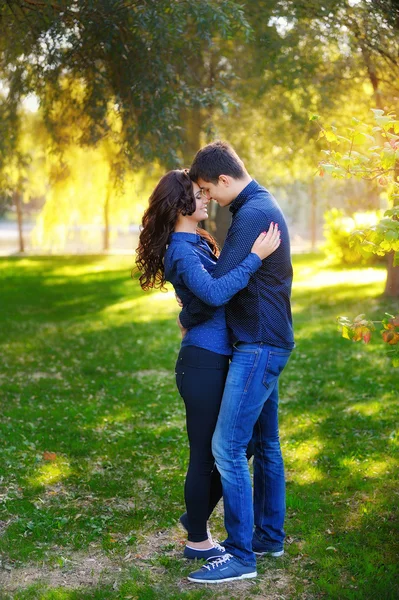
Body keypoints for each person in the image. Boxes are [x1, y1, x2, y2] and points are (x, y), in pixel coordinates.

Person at [135, 169, 281, 562]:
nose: (206, 199)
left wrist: (189, 314)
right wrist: (255, 257)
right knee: (205, 454)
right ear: (181, 204)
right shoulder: (180, 251)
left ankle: (194, 514)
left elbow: (206, 296)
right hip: (202, 363)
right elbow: (216, 292)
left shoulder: (196, 242)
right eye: (198, 195)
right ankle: (198, 539)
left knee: (240, 443)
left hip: (218, 356)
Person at [175, 142, 294, 584]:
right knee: (265, 444)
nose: (208, 199)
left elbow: (219, 284)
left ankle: (242, 555)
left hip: (258, 344)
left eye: (208, 189)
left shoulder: (248, 215)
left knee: (226, 446)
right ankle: (269, 537)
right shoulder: (260, 205)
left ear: (224, 180)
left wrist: (186, 316)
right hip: (269, 338)